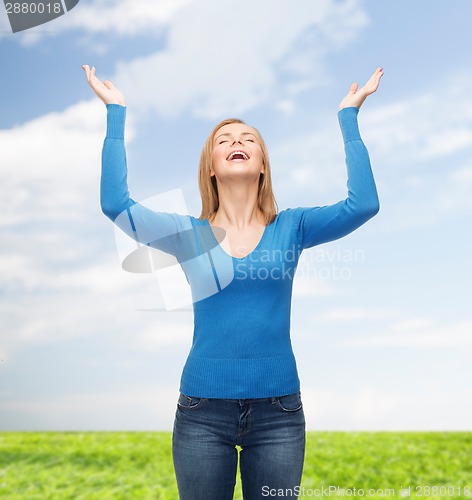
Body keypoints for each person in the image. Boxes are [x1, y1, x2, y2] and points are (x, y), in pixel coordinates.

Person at [83, 64, 383, 500]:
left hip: (279, 412)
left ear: (263, 165)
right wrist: (115, 111)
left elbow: (364, 204)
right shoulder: (188, 235)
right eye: (224, 140)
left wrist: (349, 117)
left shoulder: (293, 226)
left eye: (248, 140)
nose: (237, 142)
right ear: (210, 168)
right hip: (201, 414)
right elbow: (115, 204)